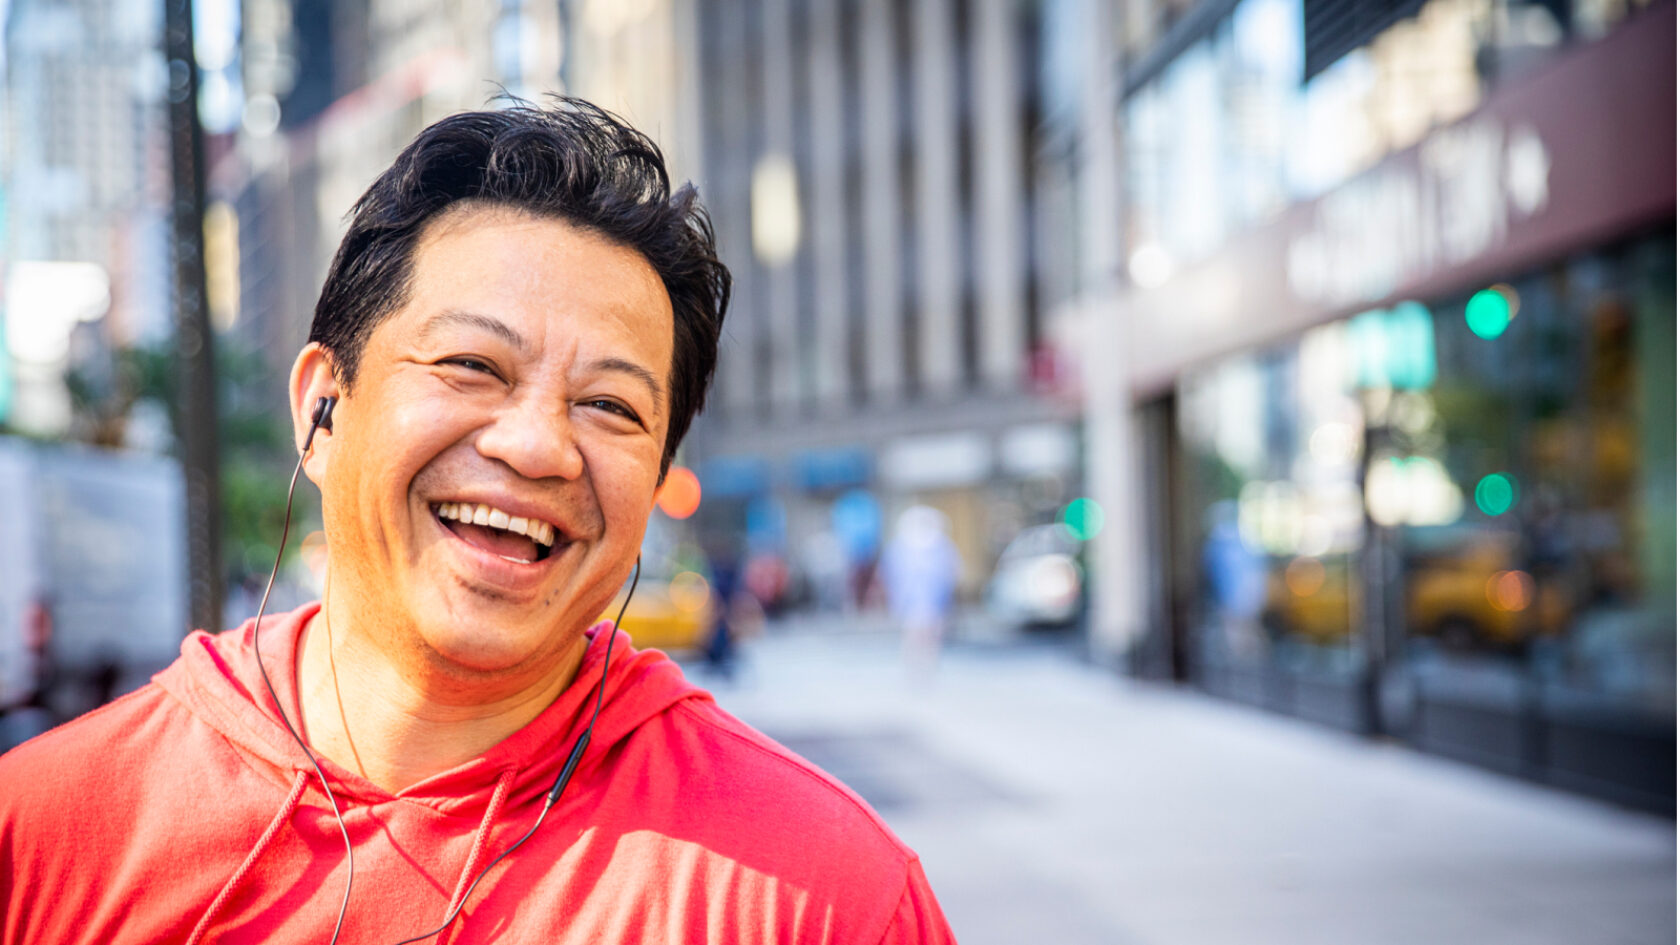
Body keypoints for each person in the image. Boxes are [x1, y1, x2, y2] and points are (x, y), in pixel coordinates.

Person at [0, 100, 954, 944]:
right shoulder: (46, 833)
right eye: (472, 366)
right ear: (321, 409)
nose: (540, 446)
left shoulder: (824, 898)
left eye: (612, 408)